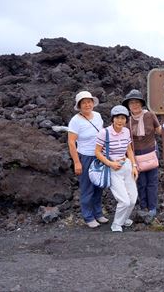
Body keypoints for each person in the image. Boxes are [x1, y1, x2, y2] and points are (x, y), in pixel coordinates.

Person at [122, 89, 164, 220]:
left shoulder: (150, 115)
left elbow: (158, 130)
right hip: (136, 155)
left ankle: (152, 207)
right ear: (128, 105)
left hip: (151, 151)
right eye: (132, 103)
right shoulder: (127, 121)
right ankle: (143, 207)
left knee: (152, 181)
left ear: (141, 103)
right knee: (141, 182)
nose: (135, 105)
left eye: (137, 102)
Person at [67, 91, 109, 228]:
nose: (87, 105)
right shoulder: (75, 121)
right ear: (79, 105)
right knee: (87, 187)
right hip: (85, 156)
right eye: (84, 102)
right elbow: (71, 142)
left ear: (93, 103)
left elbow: (102, 134)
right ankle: (88, 216)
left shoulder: (97, 116)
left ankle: (98, 213)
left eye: (89, 102)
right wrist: (77, 162)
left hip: (99, 155)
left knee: (98, 186)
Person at [95, 105, 139, 232]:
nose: (120, 121)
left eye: (123, 118)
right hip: (113, 169)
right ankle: (116, 224)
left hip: (126, 166)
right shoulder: (105, 133)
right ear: (113, 119)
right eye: (117, 118)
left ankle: (124, 219)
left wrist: (134, 166)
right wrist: (110, 163)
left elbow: (129, 150)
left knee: (133, 198)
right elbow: (97, 152)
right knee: (124, 200)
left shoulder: (126, 131)